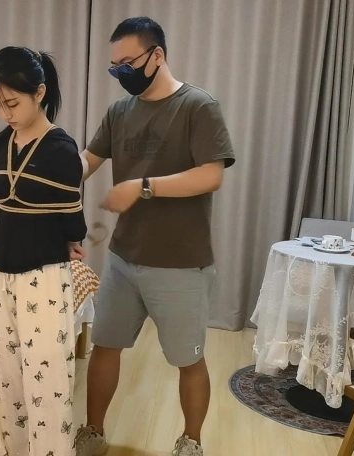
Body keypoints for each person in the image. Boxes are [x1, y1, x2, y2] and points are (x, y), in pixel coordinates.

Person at [73, 17, 236, 456]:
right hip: (123, 258)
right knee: (105, 346)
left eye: (128, 62)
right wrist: (51, 166)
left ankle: (191, 441)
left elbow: (211, 175)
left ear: (157, 55)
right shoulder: (119, 112)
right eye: (115, 66)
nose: (120, 72)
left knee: (188, 359)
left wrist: (142, 187)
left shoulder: (198, 106)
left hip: (181, 263)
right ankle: (92, 431)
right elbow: (87, 161)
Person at [0, 46, 88, 456]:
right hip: (0, 273)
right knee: (6, 382)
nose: (4, 113)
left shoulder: (61, 149)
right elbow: (6, 211)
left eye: (12, 103)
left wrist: (72, 239)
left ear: (39, 93)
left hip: (43, 276)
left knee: (48, 389)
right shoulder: (0, 145)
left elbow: (72, 218)